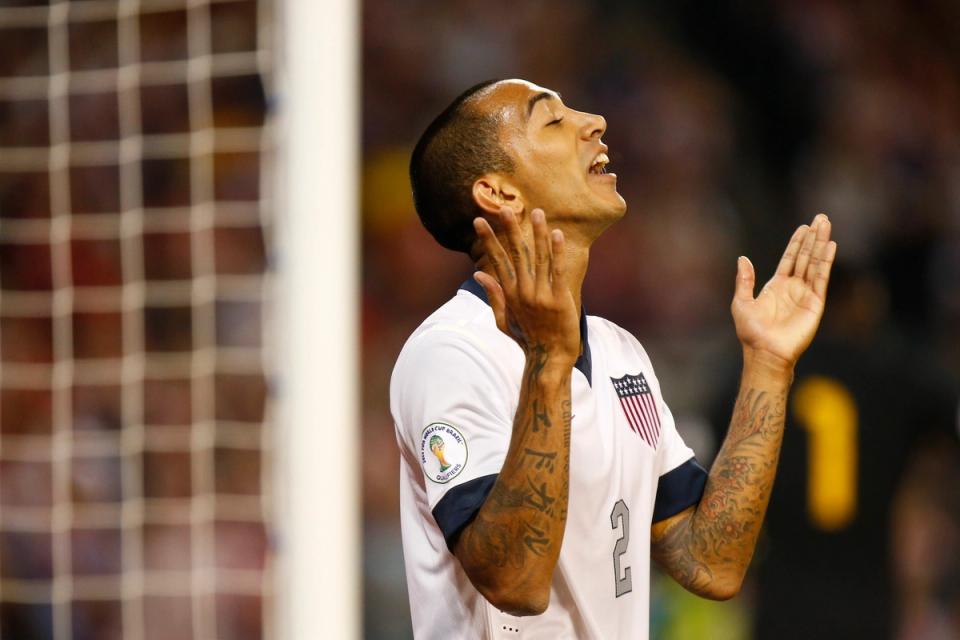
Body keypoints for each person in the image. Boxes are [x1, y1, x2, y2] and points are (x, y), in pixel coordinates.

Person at [390, 78, 837, 639]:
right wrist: (550, 359)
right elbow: (517, 584)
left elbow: (712, 563)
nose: (594, 121)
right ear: (499, 193)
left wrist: (768, 366)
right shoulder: (451, 352)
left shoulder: (620, 352)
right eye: (552, 121)